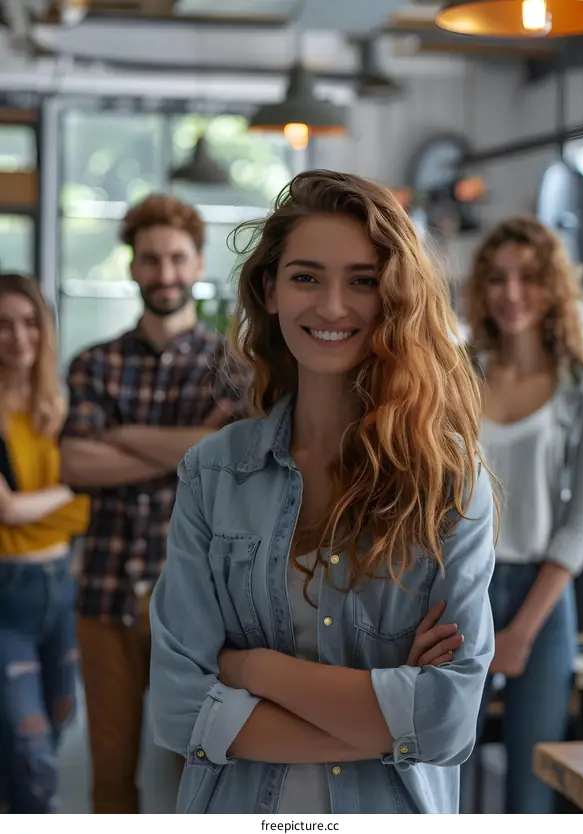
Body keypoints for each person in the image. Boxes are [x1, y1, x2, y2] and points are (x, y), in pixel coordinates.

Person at [149, 169, 496, 814]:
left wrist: (250, 670)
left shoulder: (448, 482)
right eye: (306, 276)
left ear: (394, 298)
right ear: (270, 291)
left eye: (362, 281)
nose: (333, 306)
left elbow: (448, 723)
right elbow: (177, 709)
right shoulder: (213, 474)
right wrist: (392, 720)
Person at [59, 194, 248, 814]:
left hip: (194, 599)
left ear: (196, 263)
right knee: (110, 779)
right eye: (150, 260)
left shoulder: (231, 368)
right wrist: (189, 445)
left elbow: (229, 458)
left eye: (176, 258)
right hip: (104, 592)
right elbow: (72, 462)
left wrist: (119, 435)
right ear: (132, 266)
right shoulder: (94, 362)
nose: (164, 274)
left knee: (197, 772)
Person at [462, 216, 583, 814]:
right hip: (462, 584)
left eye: (529, 278)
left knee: (532, 787)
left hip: (543, 600)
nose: (512, 292)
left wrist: (518, 632)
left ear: (553, 288)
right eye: (497, 278)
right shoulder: (456, 377)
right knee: (446, 771)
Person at [0, 274, 90, 813]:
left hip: (62, 591)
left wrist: (58, 501)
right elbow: (5, 509)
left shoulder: (60, 405)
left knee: (57, 722)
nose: (19, 337)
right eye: (4, 325)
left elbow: (85, 506)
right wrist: (75, 490)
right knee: (32, 749)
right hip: (6, 594)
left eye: (30, 322)